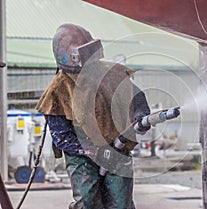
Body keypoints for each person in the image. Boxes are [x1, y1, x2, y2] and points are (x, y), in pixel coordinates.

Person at [36, 23, 150, 209]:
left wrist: (141, 114)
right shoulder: (58, 90)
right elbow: (62, 137)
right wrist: (93, 151)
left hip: (117, 148)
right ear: (72, 57)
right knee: (87, 202)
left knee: (121, 204)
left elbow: (136, 97)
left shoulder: (112, 73)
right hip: (80, 156)